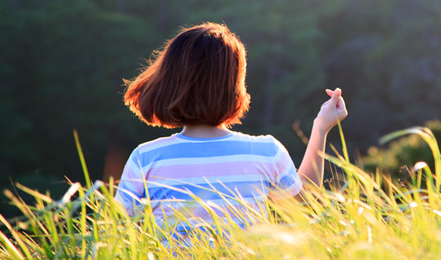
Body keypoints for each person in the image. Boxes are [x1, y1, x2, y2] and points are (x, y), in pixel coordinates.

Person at [115, 22, 347, 234]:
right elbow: (304, 209)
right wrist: (321, 129)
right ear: (235, 86)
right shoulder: (266, 151)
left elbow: (115, 233)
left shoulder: (145, 158)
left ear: (168, 82)